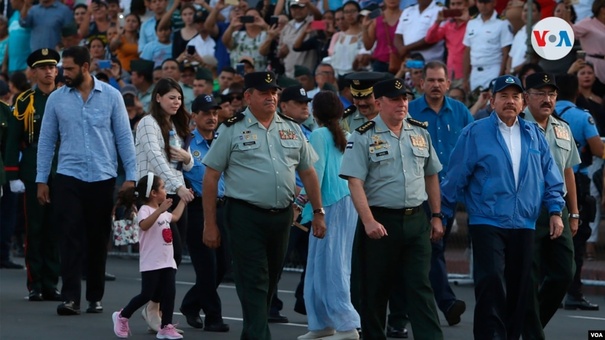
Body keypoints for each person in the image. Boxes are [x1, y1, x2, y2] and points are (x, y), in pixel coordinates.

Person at [201, 71, 326, 340]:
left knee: (269, 280)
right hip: (245, 215)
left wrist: (317, 212)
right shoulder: (232, 128)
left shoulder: (292, 128)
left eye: (274, 92)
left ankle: (252, 332)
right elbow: (211, 176)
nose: (271, 97)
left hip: (282, 217)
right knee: (255, 279)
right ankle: (260, 335)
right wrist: (210, 224)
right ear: (248, 97)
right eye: (264, 92)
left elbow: (308, 173)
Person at [441, 75, 565, 340]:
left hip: (525, 222)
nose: (510, 101)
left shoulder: (534, 135)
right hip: (487, 220)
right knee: (491, 282)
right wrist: (441, 215)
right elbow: (455, 178)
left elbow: (552, 177)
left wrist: (555, 211)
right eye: (504, 96)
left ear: (522, 102)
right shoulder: (475, 132)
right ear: (491, 100)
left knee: (521, 288)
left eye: (515, 97)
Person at [339, 78, 444, 340]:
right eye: (395, 99)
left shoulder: (420, 132)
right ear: (378, 103)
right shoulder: (363, 136)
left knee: (420, 287)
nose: (402, 104)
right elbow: (354, 181)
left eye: (405, 99)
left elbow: (431, 175)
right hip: (380, 221)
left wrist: (437, 216)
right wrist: (368, 221)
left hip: (415, 220)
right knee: (374, 290)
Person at [35, 46, 137, 315]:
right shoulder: (57, 99)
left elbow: (125, 138)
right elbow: (46, 141)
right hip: (68, 175)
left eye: (68, 68)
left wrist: (132, 177)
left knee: (97, 237)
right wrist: (41, 179)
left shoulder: (112, 96)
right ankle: (70, 298)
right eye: (62, 68)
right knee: (69, 237)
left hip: (103, 176)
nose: (62, 73)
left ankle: (94, 295)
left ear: (85, 67)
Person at [408, 60, 472, 326]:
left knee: (433, 249)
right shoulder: (409, 110)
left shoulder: (460, 112)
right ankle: (446, 303)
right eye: (430, 80)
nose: (435, 85)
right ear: (421, 83)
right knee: (431, 249)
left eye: (440, 80)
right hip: (416, 192)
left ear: (448, 83)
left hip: (450, 194)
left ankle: (412, 307)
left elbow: (472, 148)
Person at [521, 72, 580, 339]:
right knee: (528, 276)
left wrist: (575, 212)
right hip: (526, 208)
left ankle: (530, 326)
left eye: (552, 94)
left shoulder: (562, 128)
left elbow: (568, 171)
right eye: (540, 94)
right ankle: (532, 333)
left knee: (564, 272)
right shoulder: (516, 125)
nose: (547, 100)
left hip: (558, 208)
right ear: (526, 97)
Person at [297, 91, 360, 340]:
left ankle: (346, 326)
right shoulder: (347, 135)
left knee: (331, 266)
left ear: (315, 112)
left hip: (329, 204)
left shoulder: (319, 136)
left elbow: (316, 174)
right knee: (323, 265)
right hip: (346, 202)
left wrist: (306, 204)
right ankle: (322, 323)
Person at [135, 77, 195, 331]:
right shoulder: (148, 123)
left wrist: (188, 159)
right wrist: (179, 187)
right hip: (155, 197)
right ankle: (151, 307)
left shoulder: (174, 124)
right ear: (157, 98)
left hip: (175, 194)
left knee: (173, 257)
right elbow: (156, 159)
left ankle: (155, 308)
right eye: (171, 97)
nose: (176, 102)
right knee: (164, 256)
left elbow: (184, 163)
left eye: (179, 97)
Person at [5, 48, 62, 301]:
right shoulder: (24, 100)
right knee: (35, 228)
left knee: (55, 229)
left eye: (52, 67)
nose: (48, 71)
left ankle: (51, 283)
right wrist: (12, 173)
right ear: (34, 72)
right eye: (43, 67)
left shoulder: (64, 97)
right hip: (31, 168)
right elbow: (14, 139)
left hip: (61, 169)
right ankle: (35, 284)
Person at [111, 173, 186, 340]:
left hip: (167, 261)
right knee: (146, 294)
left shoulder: (164, 213)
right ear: (153, 193)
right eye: (163, 188)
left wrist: (184, 200)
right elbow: (144, 225)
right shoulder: (145, 210)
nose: (166, 191)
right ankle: (122, 316)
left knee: (169, 293)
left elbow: (175, 217)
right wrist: (160, 210)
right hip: (152, 262)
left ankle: (166, 326)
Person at [179, 94, 230, 333]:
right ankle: (213, 317)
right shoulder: (186, 144)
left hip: (223, 206)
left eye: (215, 113)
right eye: (207, 113)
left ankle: (190, 304)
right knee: (207, 266)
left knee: (222, 265)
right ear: (194, 116)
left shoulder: (222, 140)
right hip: (197, 207)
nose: (212, 118)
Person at [554, 73, 602, 311]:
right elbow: (598, 148)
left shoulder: (545, 116)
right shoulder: (581, 116)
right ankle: (573, 293)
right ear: (577, 92)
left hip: (550, 183)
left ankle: (548, 290)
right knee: (577, 242)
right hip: (576, 182)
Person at [462, 0, 513, 93]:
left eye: (486, 2)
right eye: (480, 2)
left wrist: (500, 77)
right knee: (474, 104)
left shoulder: (502, 23)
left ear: (494, 3)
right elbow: (467, 51)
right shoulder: (472, 22)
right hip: (475, 72)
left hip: (493, 70)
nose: (483, 5)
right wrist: (465, 79)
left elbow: (506, 53)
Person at [424, 0, 470, 81]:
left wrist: (468, 21)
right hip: (450, 73)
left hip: (467, 73)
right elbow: (429, 39)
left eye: (459, 4)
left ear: (466, 5)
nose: (455, 7)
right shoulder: (448, 25)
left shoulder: (473, 24)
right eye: (453, 4)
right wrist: (438, 21)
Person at [361, 0, 402, 73]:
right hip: (380, 65)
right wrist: (364, 28)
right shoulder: (376, 19)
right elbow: (368, 46)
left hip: (401, 64)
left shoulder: (407, 16)